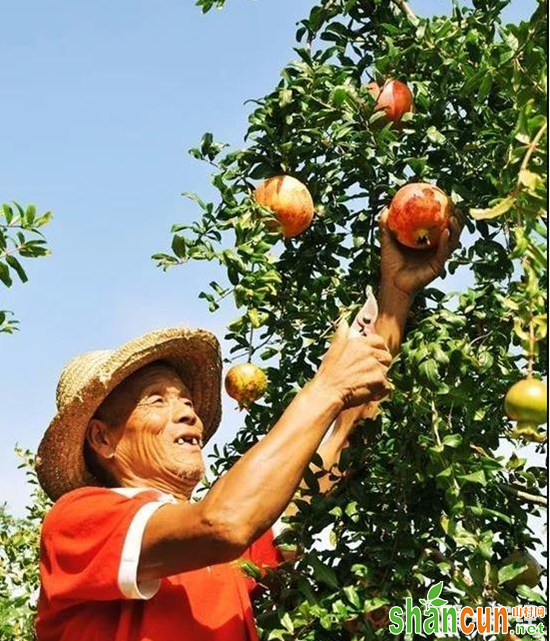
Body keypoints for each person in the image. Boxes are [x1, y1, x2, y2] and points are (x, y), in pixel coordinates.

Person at [35, 211, 461, 641]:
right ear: (102, 438)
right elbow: (222, 523)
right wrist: (324, 388)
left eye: (186, 400)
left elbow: (341, 448)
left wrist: (395, 294)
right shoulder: (78, 521)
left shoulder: (223, 552)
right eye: (157, 401)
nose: (188, 413)